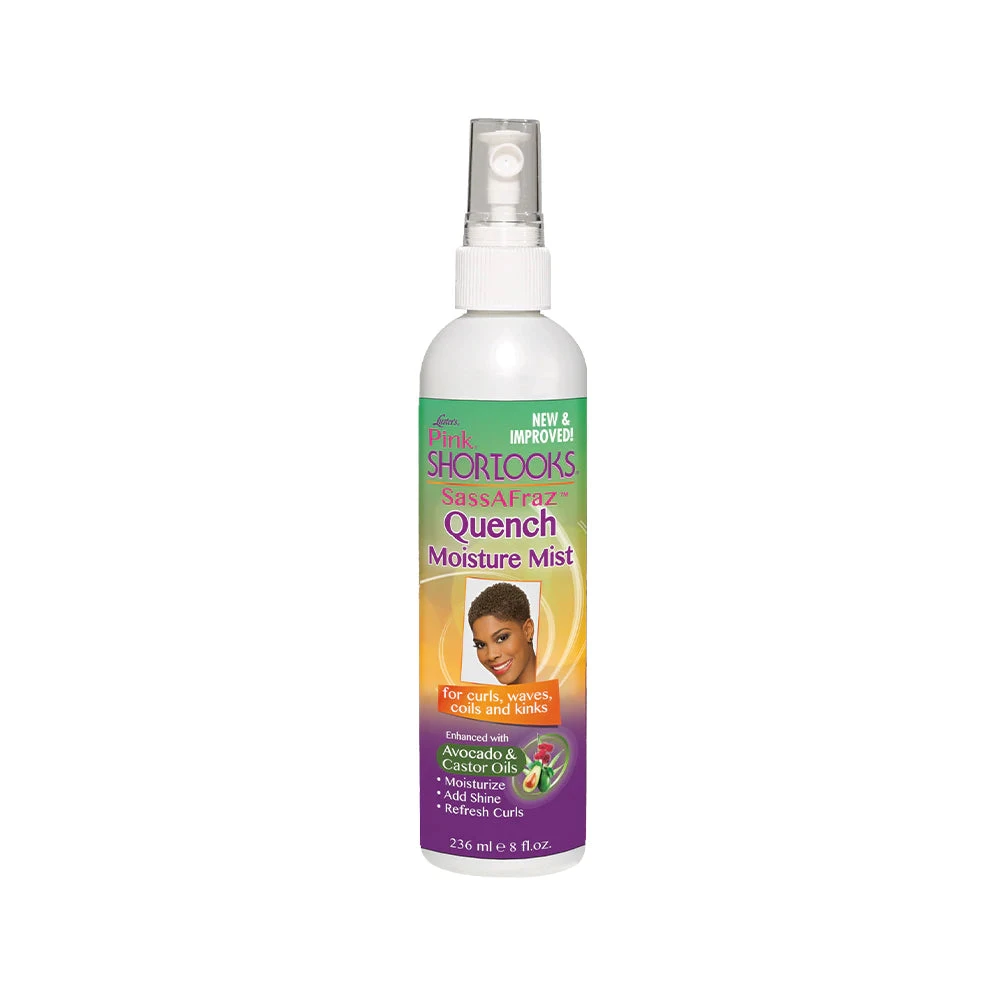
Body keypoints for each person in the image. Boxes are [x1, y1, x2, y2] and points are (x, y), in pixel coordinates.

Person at [467, 582, 537, 685]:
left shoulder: (561, 686)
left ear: (528, 630)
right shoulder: (483, 695)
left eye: (502, 638)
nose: (491, 655)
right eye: (481, 645)